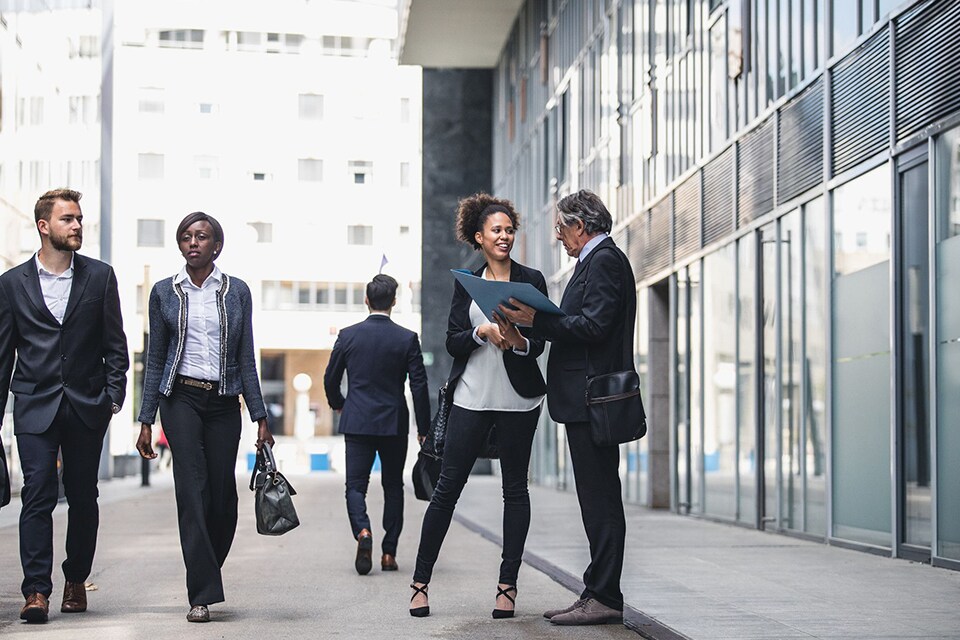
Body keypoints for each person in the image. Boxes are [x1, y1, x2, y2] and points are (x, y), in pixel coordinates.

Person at [497, 189, 635, 626]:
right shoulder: (593, 261)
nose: (559, 236)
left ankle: (606, 597)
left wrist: (538, 320)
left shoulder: (605, 260)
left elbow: (593, 325)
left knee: (601, 500)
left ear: (581, 225)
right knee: (595, 498)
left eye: (561, 227)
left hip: (593, 400)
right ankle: (596, 590)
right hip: (584, 400)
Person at [410, 193, 547, 619]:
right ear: (479, 237)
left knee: (515, 492)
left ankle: (507, 587)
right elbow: (451, 339)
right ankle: (420, 582)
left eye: (509, 229)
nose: (504, 236)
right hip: (471, 397)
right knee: (447, 489)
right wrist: (482, 332)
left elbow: (542, 340)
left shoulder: (532, 280)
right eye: (496, 230)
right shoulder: (467, 282)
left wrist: (519, 342)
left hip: (518, 401)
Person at [135, 211, 273, 624]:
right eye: (186, 237)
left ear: (217, 245)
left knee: (223, 499)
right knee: (191, 491)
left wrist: (260, 415)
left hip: (224, 403)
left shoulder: (237, 292)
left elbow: (246, 355)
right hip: (179, 401)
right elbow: (155, 360)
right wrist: (145, 419)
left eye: (202, 236)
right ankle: (202, 593)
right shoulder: (163, 292)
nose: (193, 242)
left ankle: (206, 567)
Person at [0, 188, 129, 623]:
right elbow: (3, 357)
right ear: (44, 226)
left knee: (83, 496)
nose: (77, 226)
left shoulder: (99, 276)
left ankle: (76, 579)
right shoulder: (11, 284)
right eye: (68, 219)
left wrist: (112, 398)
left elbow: (116, 343)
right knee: (36, 495)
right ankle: (36, 590)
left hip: (86, 406)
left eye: (79, 219)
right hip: (34, 406)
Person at [323, 274, 431, 575]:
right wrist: (424, 428)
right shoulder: (407, 338)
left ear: (366, 300)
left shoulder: (348, 336)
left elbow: (330, 378)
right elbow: (419, 386)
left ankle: (363, 531)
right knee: (393, 486)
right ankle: (388, 553)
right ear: (394, 301)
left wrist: (339, 403)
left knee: (355, 486)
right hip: (393, 422)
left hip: (356, 420)